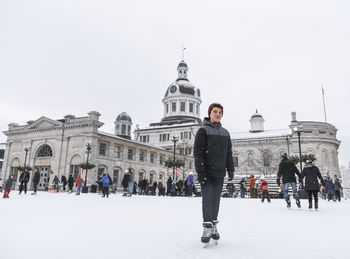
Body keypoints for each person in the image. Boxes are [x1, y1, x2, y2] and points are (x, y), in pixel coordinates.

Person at [194, 103, 234, 246]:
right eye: (215, 111)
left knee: (216, 200)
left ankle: (214, 225)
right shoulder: (203, 131)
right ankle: (207, 228)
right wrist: (201, 171)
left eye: (220, 112)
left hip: (219, 173)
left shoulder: (225, 133)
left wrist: (231, 169)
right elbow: (198, 154)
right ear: (210, 113)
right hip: (206, 172)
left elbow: (228, 153)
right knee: (207, 200)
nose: (217, 114)